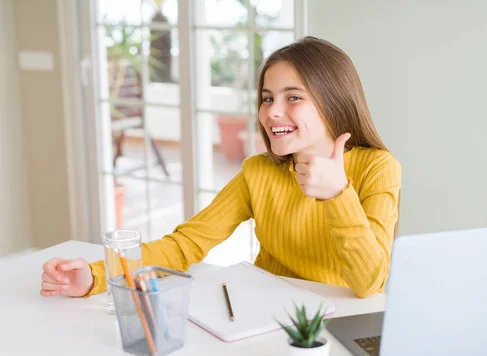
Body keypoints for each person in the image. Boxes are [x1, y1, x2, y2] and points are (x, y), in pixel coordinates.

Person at [39, 36, 401, 300]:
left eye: (293, 97)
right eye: (267, 98)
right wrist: (95, 276)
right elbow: (185, 245)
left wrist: (339, 196)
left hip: (337, 326)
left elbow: (369, 282)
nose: (273, 112)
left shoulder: (377, 168)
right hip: (267, 314)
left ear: (333, 101)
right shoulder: (258, 172)